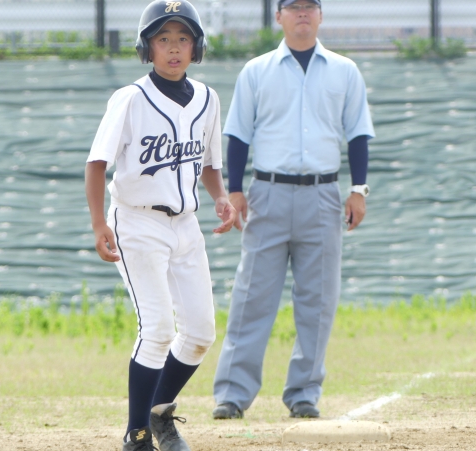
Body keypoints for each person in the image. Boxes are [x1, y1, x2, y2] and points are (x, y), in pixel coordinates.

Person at [212, 0, 375, 420]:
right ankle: (232, 394)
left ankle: (304, 393)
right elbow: (238, 135)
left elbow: (357, 133)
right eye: (293, 6)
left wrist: (358, 189)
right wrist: (234, 189)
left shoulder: (344, 71)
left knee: (318, 298)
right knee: (252, 295)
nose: (302, 13)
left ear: (321, 15)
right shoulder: (256, 71)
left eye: (310, 6)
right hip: (267, 192)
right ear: (278, 16)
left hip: (322, 195)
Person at [85, 1, 236, 450]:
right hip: (136, 222)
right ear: (146, 48)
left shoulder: (208, 98)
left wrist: (221, 196)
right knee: (157, 330)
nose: (174, 48)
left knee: (200, 334)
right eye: (163, 39)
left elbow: (208, 164)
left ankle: (159, 416)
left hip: (185, 224)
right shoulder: (130, 98)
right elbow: (97, 164)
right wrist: (98, 223)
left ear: (197, 47)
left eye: (183, 39)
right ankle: (137, 436)